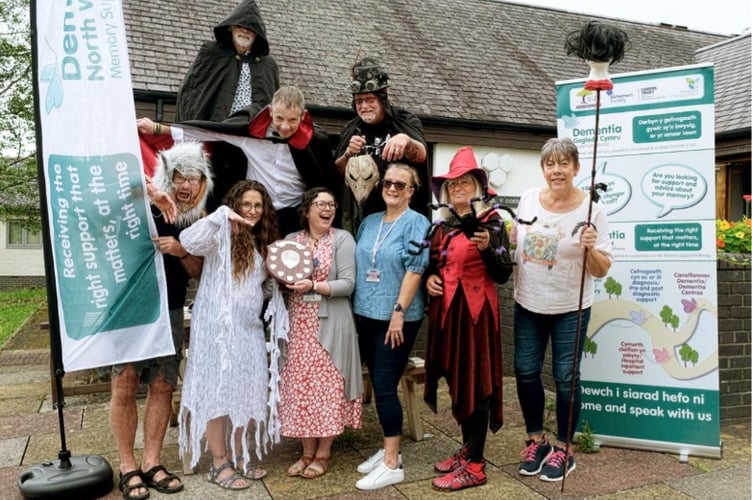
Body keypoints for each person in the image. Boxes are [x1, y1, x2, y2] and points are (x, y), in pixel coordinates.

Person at [110, 141, 210, 500]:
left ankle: (152, 461)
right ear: (165, 177)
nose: (185, 185)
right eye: (178, 177)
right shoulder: (141, 205)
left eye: (193, 178)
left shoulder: (199, 220)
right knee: (125, 383)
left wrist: (182, 250)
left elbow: (200, 272)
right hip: (130, 308)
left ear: (202, 184)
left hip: (168, 309)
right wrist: (149, 197)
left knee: (164, 384)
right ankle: (127, 465)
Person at [512, 137, 612, 482]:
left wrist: (590, 248)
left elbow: (601, 269)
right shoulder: (527, 200)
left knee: (566, 378)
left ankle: (564, 449)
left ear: (576, 168)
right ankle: (536, 440)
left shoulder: (592, 210)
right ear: (543, 169)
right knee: (525, 371)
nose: (557, 171)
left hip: (571, 306)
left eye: (563, 164)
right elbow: (514, 244)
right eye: (550, 165)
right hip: (528, 301)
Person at [177, 180, 288, 490]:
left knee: (246, 390)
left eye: (257, 205)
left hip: (249, 328)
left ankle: (239, 456)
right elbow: (187, 240)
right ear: (236, 206)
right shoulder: (220, 234)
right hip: (215, 328)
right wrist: (219, 216)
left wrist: (276, 279)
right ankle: (218, 462)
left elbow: (261, 289)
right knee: (217, 392)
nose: (252, 211)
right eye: (246, 205)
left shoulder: (261, 242)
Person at [423, 146, 513, 491]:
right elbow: (434, 267)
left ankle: (475, 467)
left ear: (477, 187)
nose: (458, 188)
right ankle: (468, 449)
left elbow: (503, 273)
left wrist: (489, 246)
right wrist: (430, 281)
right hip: (449, 313)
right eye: (453, 184)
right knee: (459, 382)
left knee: (475, 383)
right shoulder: (442, 226)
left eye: (465, 182)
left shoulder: (493, 223)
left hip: (476, 314)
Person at [138, 86, 340, 236]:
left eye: (292, 120)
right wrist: (157, 128)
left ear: (303, 116)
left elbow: (328, 181)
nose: (285, 127)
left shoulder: (315, 142)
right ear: (270, 112)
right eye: (279, 118)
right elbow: (208, 131)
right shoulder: (249, 132)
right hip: (257, 212)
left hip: (293, 215)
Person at [351, 163, 430, 490]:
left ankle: (392, 462)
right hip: (365, 314)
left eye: (401, 184)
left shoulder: (417, 223)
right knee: (378, 379)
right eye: (388, 182)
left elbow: (415, 269)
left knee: (384, 386)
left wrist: (399, 310)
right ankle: (387, 447)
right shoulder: (369, 222)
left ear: (412, 190)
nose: (393, 188)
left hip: (396, 319)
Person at [279, 187, 363, 479]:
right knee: (300, 385)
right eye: (321, 204)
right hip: (298, 324)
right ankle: (305, 451)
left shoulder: (342, 239)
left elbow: (348, 284)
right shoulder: (292, 240)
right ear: (307, 210)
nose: (328, 209)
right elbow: (281, 273)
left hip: (331, 324)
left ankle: (323, 452)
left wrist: (314, 286)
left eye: (332, 204)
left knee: (328, 386)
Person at [175, 0, 279, 211]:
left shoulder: (268, 65)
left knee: (244, 196)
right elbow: (192, 92)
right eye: (240, 26)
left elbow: (273, 106)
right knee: (207, 196)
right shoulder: (211, 52)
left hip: (249, 141)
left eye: (250, 29)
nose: (244, 32)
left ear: (257, 35)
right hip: (215, 136)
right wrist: (190, 131)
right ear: (231, 28)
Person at [334, 57, 429, 233]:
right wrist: (347, 154)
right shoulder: (351, 129)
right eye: (359, 101)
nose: (364, 106)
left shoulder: (405, 121)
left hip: (401, 221)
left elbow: (422, 155)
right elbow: (338, 173)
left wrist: (405, 140)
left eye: (370, 99)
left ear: (382, 97)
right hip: (361, 222)